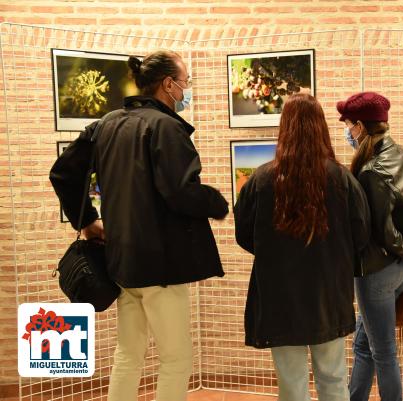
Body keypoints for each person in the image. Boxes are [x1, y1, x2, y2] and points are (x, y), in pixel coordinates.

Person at [50, 50, 229, 401]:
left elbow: (63, 172)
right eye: (186, 82)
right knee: (176, 360)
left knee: (128, 355)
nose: (186, 89)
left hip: (122, 263)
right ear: (168, 84)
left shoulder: (106, 124)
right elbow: (179, 192)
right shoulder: (167, 127)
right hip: (161, 266)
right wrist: (216, 202)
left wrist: (87, 220)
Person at [234, 93, 371, 401]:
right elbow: (361, 236)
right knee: (334, 379)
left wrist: (276, 251)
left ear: (285, 127)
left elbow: (244, 234)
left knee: (291, 383)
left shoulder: (261, 179)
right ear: (321, 127)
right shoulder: (342, 179)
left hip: (279, 296)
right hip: (328, 294)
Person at [336, 92, 403, 401]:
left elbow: (384, 233)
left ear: (362, 127)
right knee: (365, 346)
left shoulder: (370, 172)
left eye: (349, 124)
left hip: (377, 271)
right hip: (402, 267)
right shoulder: (402, 154)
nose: (347, 131)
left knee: (384, 353)